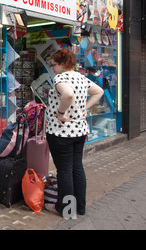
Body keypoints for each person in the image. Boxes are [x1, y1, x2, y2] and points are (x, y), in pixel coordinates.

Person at [45, 48, 103, 217]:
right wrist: (84, 108)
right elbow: (98, 92)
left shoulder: (60, 78)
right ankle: (81, 207)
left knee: (64, 170)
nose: (53, 68)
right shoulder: (81, 78)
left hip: (61, 132)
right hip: (79, 131)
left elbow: (68, 94)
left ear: (62, 64)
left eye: (54, 65)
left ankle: (65, 209)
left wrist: (61, 113)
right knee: (77, 167)